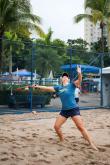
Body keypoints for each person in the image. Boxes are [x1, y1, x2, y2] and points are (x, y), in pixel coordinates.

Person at [32, 66, 98, 151]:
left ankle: (91, 143)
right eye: (63, 76)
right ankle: (62, 139)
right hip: (64, 111)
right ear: (61, 79)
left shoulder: (72, 85)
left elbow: (79, 81)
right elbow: (47, 88)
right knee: (56, 127)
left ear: (68, 79)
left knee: (80, 127)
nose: (64, 77)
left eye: (66, 76)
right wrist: (37, 86)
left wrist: (79, 73)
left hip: (74, 109)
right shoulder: (58, 88)